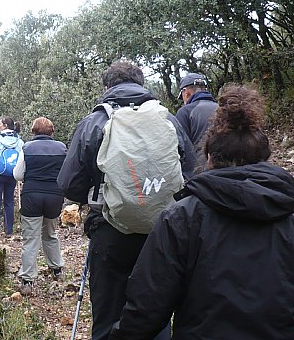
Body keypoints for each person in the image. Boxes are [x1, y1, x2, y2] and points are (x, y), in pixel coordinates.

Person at [110, 85, 294, 340]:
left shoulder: (182, 217)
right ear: (265, 157)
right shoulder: (289, 212)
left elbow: (147, 306)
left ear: (208, 158)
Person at [57, 61, 195, 340]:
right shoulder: (168, 119)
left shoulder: (94, 122)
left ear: (107, 87)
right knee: (156, 311)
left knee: (109, 314)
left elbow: (69, 185)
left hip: (110, 230)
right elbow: (189, 172)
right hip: (162, 230)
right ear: (142, 85)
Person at [13, 117, 67, 296]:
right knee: (50, 234)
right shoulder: (62, 148)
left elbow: (18, 174)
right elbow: (66, 174)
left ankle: (27, 280)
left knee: (31, 238)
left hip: (32, 196)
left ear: (33, 131)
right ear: (52, 131)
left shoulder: (27, 147)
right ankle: (57, 269)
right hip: (54, 196)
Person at [0, 117, 24, 238]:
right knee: (9, 202)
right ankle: (9, 231)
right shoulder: (19, 141)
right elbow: (22, 159)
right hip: (12, 174)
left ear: (5, 125)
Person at [176, 72, 218, 173]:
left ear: (186, 92)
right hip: (228, 170)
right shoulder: (223, 108)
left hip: (200, 175)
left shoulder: (185, 112)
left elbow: (181, 148)